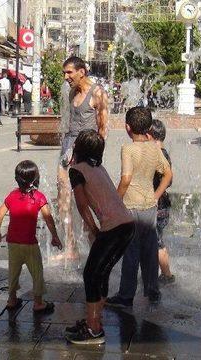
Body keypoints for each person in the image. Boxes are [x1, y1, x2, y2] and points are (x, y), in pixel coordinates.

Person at [64, 129, 135, 345]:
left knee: (91, 274)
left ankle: (93, 329)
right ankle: (93, 321)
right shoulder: (98, 167)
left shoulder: (77, 170)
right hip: (127, 225)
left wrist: (93, 230)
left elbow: (82, 205)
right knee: (100, 273)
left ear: (79, 147)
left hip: (113, 229)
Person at [106, 107, 172, 308]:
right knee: (150, 249)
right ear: (149, 127)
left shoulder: (128, 149)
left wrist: (115, 202)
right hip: (150, 205)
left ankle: (126, 295)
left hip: (131, 206)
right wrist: (156, 195)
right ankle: (153, 291)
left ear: (127, 127)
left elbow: (126, 179)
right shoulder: (154, 146)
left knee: (131, 252)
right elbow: (168, 174)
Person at [0, 160, 63, 314]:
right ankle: (38, 303)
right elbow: (48, 218)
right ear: (35, 179)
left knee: (13, 271)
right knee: (37, 272)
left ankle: (12, 299)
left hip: (13, 243)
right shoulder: (38, 197)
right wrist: (55, 236)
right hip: (30, 245)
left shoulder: (12, 195)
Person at [56, 56, 109, 262]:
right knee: (63, 196)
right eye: (64, 73)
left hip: (87, 150)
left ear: (82, 72)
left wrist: (96, 157)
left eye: (69, 72)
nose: (66, 77)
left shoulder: (98, 93)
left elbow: (103, 128)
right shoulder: (71, 92)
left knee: (86, 200)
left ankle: (96, 242)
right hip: (69, 146)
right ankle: (71, 248)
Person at [148, 119, 174, 285]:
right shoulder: (164, 153)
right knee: (154, 240)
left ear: (151, 137)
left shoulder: (159, 154)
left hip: (158, 206)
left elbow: (169, 178)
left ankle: (167, 275)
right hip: (162, 205)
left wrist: (155, 196)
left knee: (157, 243)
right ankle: (153, 272)